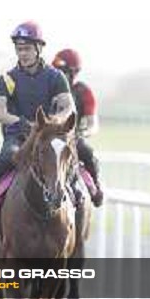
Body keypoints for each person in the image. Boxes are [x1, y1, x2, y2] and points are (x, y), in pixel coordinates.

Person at [0, 21, 75, 222]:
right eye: (19, 49)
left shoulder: (56, 77)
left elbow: (69, 107)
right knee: (8, 154)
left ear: (39, 48)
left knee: (66, 159)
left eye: (27, 49)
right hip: (18, 136)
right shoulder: (8, 78)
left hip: (47, 135)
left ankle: (76, 196)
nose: (23, 53)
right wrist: (25, 124)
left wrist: (53, 121)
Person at [52, 48, 103, 206]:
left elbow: (93, 124)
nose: (57, 75)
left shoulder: (83, 92)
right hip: (47, 136)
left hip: (71, 137)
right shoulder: (48, 88)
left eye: (61, 71)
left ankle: (95, 187)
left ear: (73, 73)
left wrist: (83, 133)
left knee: (87, 153)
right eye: (55, 71)